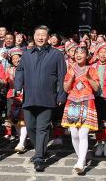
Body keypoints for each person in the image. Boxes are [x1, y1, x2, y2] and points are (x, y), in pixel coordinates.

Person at [14, 25, 67, 172]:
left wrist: (62, 94)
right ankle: (40, 150)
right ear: (34, 36)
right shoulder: (26, 54)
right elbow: (20, 71)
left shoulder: (56, 55)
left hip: (48, 97)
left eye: (43, 35)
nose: (40, 37)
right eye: (38, 34)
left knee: (42, 128)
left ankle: (39, 158)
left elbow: (63, 76)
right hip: (29, 97)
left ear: (48, 38)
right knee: (30, 126)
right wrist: (17, 86)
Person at [62, 46, 99, 173]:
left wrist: (88, 77)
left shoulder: (92, 69)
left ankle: (81, 162)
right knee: (74, 134)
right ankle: (81, 158)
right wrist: (71, 77)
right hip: (72, 102)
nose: (78, 55)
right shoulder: (70, 70)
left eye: (82, 53)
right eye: (76, 53)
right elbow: (66, 89)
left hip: (87, 101)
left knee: (83, 133)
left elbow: (96, 88)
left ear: (87, 56)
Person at [91, 42, 106, 158]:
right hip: (95, 97)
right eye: (101, 52)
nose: (103, 54)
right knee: (98, 122)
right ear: (98, 53)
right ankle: (99, 144)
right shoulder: (93, 66)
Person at [5, 47, 27, 153]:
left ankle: (22, 142)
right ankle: (21, 140)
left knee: (23, 119)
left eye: (18, 58)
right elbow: (4, 83)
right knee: (15, 120)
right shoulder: (8, 70)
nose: (16, 60)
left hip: (24, 95)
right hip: (12, 96)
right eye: (13, 58)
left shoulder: (27, 69)